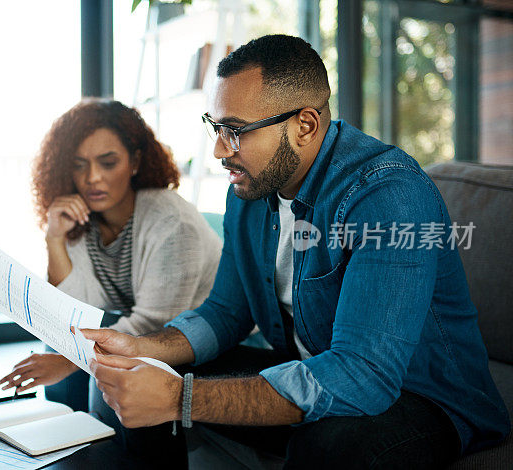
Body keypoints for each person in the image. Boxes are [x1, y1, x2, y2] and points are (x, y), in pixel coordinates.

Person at [81, 35, 510, 469]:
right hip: (317, 368)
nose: (218, 151)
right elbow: (227, 312)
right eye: (216, 127)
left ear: (304, 125)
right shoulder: (250, 189)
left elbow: (364, 376)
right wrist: (143, 350)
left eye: (236, 131)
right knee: (143, 376)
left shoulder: (387, 196)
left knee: (327, 446)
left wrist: (181, 399)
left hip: (423, 399)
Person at [0, 99, 222, 416]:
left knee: (102, 369)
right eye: (79, 165)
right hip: (148, 333)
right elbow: (73, 312)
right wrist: (55, 238)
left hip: (202, 339)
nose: (92, 178)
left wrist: (71, 360)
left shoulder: (173, 223)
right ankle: (67, 445)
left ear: (134, 161)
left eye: (107, 162)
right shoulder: (84, 220)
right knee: (64, 343)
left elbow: (156, 326)